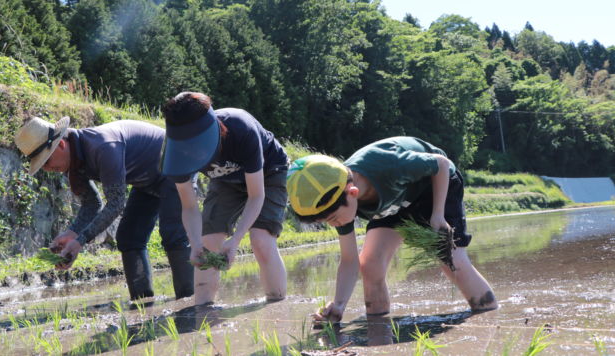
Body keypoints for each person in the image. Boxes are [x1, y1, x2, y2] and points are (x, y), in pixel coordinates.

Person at [286, 137, 498, 322]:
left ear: (352, 192)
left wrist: (438, 215)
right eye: (326, 222)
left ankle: (489, 316)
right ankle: (378, 326)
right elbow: (350, 260)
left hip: (432, 189)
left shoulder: (388, 166)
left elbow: (440, 164)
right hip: (393, 205)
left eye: (332, 218)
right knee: (370, 266)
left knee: (452, 262)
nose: (333, 224)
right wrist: (339, 305)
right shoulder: (339, 203)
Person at [14, 116, 194, 300]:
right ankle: (142, 304)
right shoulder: (75, 161)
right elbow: (92, 204)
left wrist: (81, 241)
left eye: (46, 161)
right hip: (147, 181)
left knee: (173, 234)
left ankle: (190, 303)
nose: (47, 169)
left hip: (176, 165)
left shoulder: (104, 147)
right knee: (129, 237)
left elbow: (115, 204)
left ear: (60, 145)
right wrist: (72, 232)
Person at [160, 92, 288, 305]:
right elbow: (189, 207)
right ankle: (202, 311)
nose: (193, 153)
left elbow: (256, 195)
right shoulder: (174, 154)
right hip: (225, 179)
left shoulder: (241, 128)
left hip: (268, 172)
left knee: (261, 240)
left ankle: (276, 306)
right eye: (187, 148)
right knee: (208, 245)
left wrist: (236, 239)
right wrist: (195, 244)